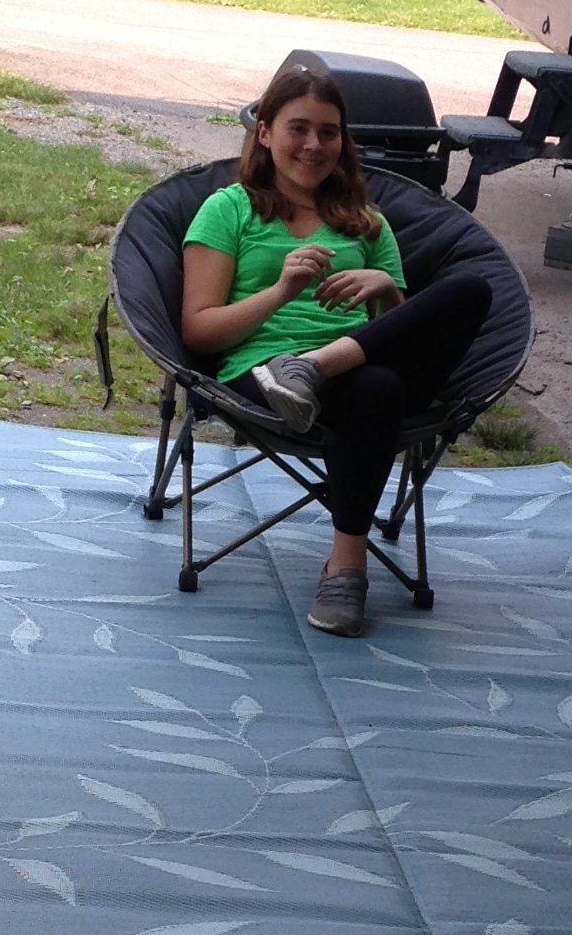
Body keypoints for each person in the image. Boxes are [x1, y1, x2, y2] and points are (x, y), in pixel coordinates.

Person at [179, 64, 491, 636]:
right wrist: (280, 291)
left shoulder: (367, 224)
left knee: (470, 291)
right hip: (263, 374)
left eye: (329, 132)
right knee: (378, 389)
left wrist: (387, 291)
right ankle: (347, 569)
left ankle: (313, 366)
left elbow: (406, 333)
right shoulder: (229, 210)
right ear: (264, 132)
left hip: (351, 366)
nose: (314, 145)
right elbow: (198, 331)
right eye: (298, 128)